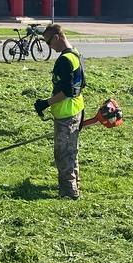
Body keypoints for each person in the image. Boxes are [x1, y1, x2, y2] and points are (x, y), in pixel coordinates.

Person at [33, 24, 85, 200]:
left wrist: (45, 103)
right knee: (72, 151)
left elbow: (67, 91)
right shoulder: (76, 53)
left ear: (56, 37)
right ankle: (74, 184)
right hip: (76, 109)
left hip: (66, 113)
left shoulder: (64, 60)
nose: (49, 46)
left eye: (48, 42)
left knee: (63, 154)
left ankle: (69, 192)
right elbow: (81, 84)